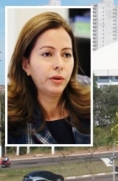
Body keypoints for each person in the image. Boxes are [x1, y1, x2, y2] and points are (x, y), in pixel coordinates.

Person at [7, 11, 91, 145]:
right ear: (26, 64)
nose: (59, 65)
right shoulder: (7, 119)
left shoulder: (90, 95)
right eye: (47, 54)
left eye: (66, 55)